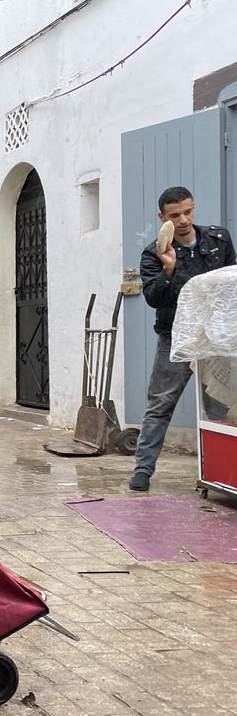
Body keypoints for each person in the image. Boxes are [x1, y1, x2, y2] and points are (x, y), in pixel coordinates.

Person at [129, 186, 235, 491]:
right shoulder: (153, 252)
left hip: (216, 336)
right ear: (163, 217)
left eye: (188, 211)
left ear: (194, 208)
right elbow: (153, 297)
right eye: (175, 215)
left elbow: (230, 283)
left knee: (219, 404)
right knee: (161, 402)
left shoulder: (219, 239)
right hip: (175, 336)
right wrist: (169, 267)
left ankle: (221, 473)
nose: (184, 219)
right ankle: (143, 470)